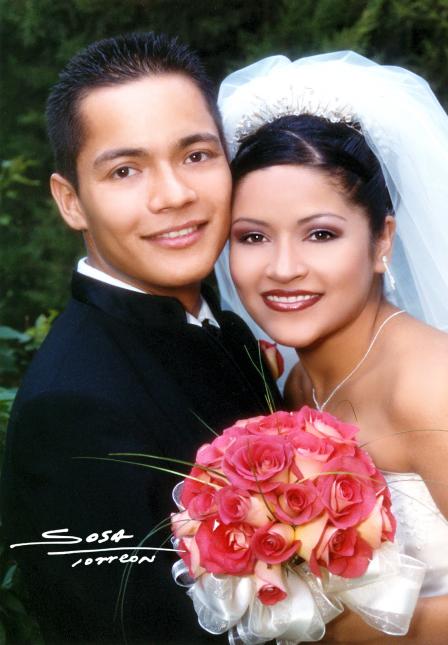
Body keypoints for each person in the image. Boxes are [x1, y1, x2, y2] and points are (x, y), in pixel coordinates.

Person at [0, 33, 281, 644]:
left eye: (197, 155)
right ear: (71, 202)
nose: (175, 194)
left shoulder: (230, 331)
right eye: (125, 170)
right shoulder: (72, 411)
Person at [215, 52, 448, 642]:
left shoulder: (430, 388)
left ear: (381, 240)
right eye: (252, 237)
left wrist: (328, 626)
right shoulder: (298, 383)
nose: (284, 268)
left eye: (321, 234)